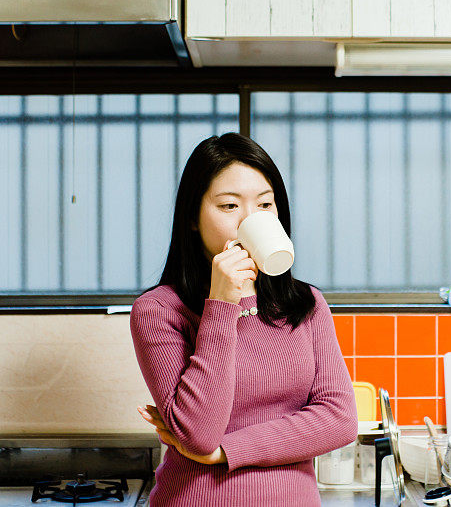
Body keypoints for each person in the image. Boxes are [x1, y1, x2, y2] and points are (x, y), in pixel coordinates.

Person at [130, 133, 358, 506]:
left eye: (265, 204)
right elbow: (198, 434)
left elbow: (340, 420)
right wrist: (221, 303)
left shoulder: (307, 303)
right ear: (192, 217)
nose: (250, 220)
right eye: (229, 206)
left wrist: (226, 452)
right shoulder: (159, 310)